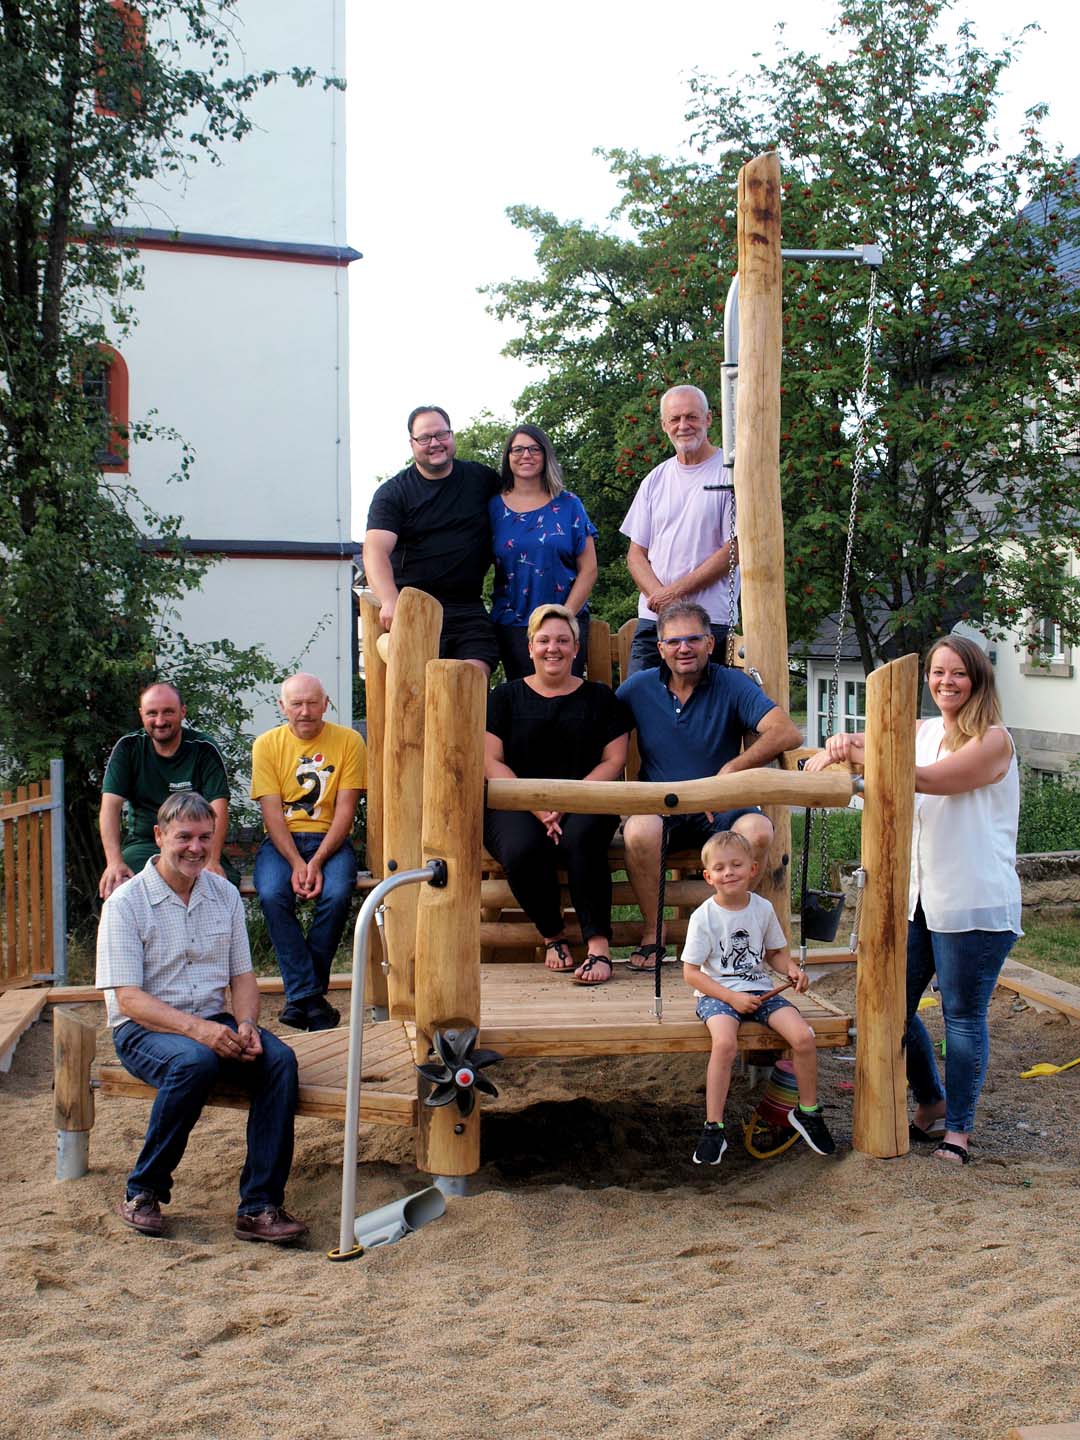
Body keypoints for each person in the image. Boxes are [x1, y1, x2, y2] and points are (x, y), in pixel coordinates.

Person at [808, 635, 1021, 1166]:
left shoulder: (994, 741)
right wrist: (839, 745)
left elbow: (929, 781)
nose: (945, 682)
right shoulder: (923, 731)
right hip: (919, 896)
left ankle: (960, 1133)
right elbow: (875, 747)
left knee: (962, 1016)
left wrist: (864, 773)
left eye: (958, 674)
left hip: (973, 900)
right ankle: (931, 1102)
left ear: (978, 681)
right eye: (937, 673)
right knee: (892, 1008)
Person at [96, 792, 307, 1244]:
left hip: (213, 1020)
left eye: (205, 838)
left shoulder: (225, 894)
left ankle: (260, 1206)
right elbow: (129, 1000)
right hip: (143, 1030)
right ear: (159, 836)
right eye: (184, 837)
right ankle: (143, 1192)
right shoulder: (126, 903)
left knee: (279, 1061)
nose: (196, 848)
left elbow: (243, 977)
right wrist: (201, 1031)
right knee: (194, 1061)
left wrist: (247, 1025)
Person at [616, 600, 802, 972]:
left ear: (710, 644)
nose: (684, 648)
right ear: (661, 649)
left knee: (758, 829)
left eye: (693, 639)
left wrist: (733, 768)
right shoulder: (638, 688)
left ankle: (733, 930)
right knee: (638, 830)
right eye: (674, 641)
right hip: (661, 804)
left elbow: (786, 731)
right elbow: (596, 731)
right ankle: (655, 933)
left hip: (720, 805)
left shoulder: (731, 683)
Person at [484, 604, 631, 985]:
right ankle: (553, 934)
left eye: (563, 640)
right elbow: (491, 761)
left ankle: (598, 943)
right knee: (520, 848)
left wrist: (567, 802)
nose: (554, 648)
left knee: (583, 838)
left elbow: (614, 760)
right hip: (516, 802)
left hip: (588, 799)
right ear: (530, 647)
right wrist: (536, 806)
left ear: (576, 648)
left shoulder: (600, 699)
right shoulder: (503, 698)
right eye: (544, 640)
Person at [682, 830, 836, 1164]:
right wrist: (731, 998)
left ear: (753, 868)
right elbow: (691, 973)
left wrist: (791, 969)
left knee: (804, 1037)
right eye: (720, 868)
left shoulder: (762, 909)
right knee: (725, 1044)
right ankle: (714, 1127)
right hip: (719, 995)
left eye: (736, 864)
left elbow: (775, 955)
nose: (729, 872)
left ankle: (807, 1111)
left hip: (762, 991)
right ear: (708, 877)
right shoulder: (704, 917)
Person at [251, 672, 366, 1031]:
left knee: (336, 893)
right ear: (282, 707)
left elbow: (346, 810)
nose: (305, 711)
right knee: (271, 894)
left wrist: (315, 861)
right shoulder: (266, 745)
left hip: (330, 840)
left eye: (312, 703)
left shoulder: (349, 741)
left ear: (326, 704)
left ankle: (302, 995)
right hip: (282, 842)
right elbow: (271, 813)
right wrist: (297, 862)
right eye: (297, 704)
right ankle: (311, 999)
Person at [363, 405, 501, 674]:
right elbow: (374, 551)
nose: (435, 443)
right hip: (414, 611)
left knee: (468, 682)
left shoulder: (481, 480)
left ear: (452, 435)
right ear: (412, 443)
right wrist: (391, 601)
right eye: (425, 438)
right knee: (416, 697)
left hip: (467, 609)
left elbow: (522, 507)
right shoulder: (393, 493)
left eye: (442, 434)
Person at [620, 384, 738, 676]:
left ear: (708, 419)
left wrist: (674, 594)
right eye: (675, 419)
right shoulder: (655, 479)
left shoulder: (730, 474)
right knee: (636, 707)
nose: (683, 426)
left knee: (704, 714)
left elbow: (735, 549)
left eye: (692, 417)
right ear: (664, 425)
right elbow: (636, 554)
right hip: (654, 621)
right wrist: (659, 596)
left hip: (710, 621)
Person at [99, 681, 234, 898]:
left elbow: (218, 807)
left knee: (219, 888)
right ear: (141, 714)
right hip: (144, 844)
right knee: (118, 887)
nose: (160, 721)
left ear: (182, 712)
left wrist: (213, 860)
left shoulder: (203, 748)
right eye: (152, 713)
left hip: (195, 844)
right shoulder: (128, 748)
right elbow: (109, 807)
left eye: (168, 712)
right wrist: (114, 862)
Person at [489, 423, 598, 679]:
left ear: (545, 455)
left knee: (567, 702)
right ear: (508, 457)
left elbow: (589, 569)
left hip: (565, 621)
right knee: (524, 704)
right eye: (518, 450)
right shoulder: (493, 508)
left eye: (534, 449)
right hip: (514, 623)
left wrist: (565, 618)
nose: (526, 455)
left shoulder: (569, 504)